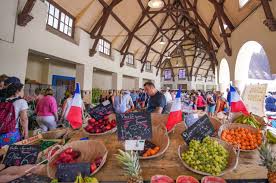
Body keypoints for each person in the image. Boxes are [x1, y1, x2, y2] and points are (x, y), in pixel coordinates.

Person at [0, 83, 29, 147]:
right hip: (12, 133)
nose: (23, 92)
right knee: (11, 153)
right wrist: (26, 134)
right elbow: (24, 119)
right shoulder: (21, 101)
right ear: (17, 91)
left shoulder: (3, 101)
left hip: (1, 131)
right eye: (22, 90)